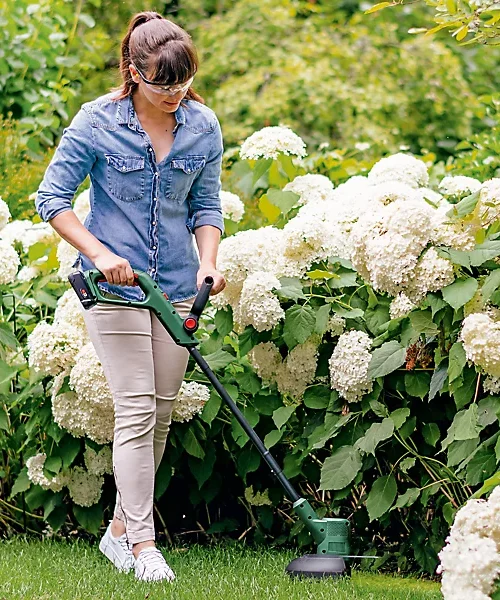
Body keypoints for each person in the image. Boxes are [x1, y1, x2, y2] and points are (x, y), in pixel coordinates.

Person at [35, 11, 226, 583]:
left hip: (176, 286)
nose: (175, 94)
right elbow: (52, 198)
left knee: (161, 413)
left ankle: (118, 531)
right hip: (112, 286)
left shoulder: (203, 126)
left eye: (184, 82)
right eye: (163, 83)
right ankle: (144, 545)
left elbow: (206, 206)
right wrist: (99, 254)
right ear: (133, 71)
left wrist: (209, 262)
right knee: (137, 407)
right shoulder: (97, 121)